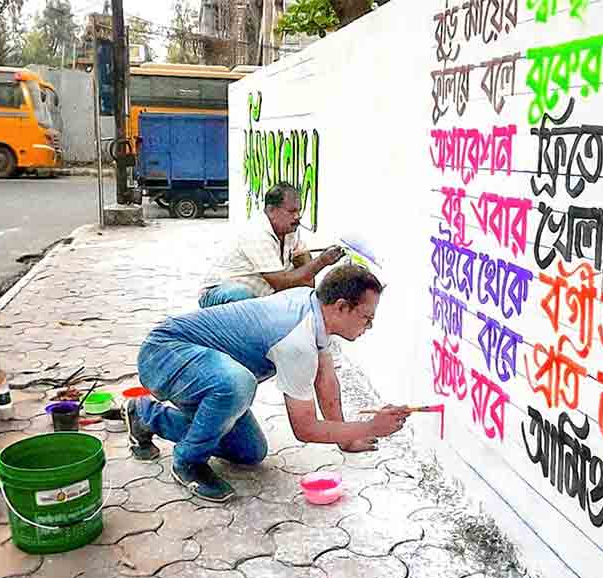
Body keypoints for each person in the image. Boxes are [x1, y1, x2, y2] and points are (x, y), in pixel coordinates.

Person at [126, 264, 411, 502]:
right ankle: (187, 461)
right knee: (238, 384)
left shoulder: (313, 306)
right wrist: (371, 427)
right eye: (367, 318)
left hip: (200, 370)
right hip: (164, 354)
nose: (369, 327)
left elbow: (325, 380)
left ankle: (145, 416)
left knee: (250, 452)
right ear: (341, 307)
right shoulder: (298, 339)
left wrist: (346, 439)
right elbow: (305, 428)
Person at [198, 182, 345, 308]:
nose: (297, 216)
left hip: (258, 295)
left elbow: (301, 256)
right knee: (241, 296)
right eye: (292, 211)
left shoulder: (289, 228)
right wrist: (321, 261)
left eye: (299, 211)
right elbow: (281, 283)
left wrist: (306, 274)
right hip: (218, 293)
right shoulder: (256, 233)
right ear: (271, 210)